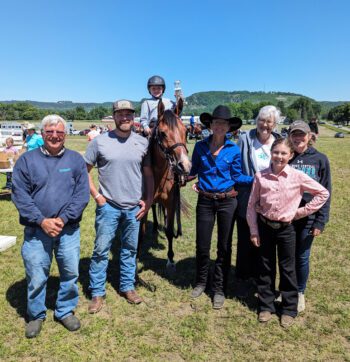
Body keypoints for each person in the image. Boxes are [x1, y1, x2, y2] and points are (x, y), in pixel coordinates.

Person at [11, 115, 90, 338]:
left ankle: (64, 310)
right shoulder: (26, 160)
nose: (54, 136)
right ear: (42, 133)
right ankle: (36, 315)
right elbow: (20, 195)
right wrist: (42, 220)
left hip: (68, 230)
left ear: (65, 135)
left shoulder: (75, 160)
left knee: (70, 272)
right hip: (37, 230)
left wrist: (63, 219)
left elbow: (82, 195)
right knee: (36, 274)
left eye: (59, 132)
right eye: (49, 132)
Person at [247, 138, 329, 328]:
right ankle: (266, 306)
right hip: (265, 227)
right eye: (276, 152)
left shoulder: (297, 176)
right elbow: (251, 205)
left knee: (288, 268)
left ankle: (289, 308)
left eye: (284, 153)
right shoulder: (261, 176)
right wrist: (253, 230)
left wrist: (299, 213)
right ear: (271, 154)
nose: (279, 157)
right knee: (265, 267)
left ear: (290, 156)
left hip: (287, 229)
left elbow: (323, 193)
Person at [85, 99, 153, 313]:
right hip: (109, 206)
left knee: (130, 250)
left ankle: (127, 286)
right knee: (101, 250)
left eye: (128, 114)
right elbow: (84, 171)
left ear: (133, 117)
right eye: (120, 114)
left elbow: (149, 174)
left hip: (134, 207)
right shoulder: (100, 142)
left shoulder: (142, 142)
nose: (125, 118)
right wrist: (97, 196)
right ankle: (97, 292)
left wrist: (148, 200)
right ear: (114, 116)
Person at [189, 105, 253, 309]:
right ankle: (201, 281)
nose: (219, 126)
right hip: (205, 200)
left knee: (224, 246)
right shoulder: (199, 147)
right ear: (210, 125)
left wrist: (258, 178)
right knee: (202, 244)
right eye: (216, 122)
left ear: (228, 127)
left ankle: (219, 288)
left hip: (227, 201)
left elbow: (237, 176)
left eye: (223, 123)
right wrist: (182, 176)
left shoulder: (233, 149)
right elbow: (194, 170)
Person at [235, 105, 281, 296]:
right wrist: (255, 180)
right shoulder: (245, 139)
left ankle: (263, 277)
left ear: (275, 124)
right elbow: (236, 169)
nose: (265, 124)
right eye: (262, 120)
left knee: (265, 238)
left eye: (269, 121)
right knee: (246, 236)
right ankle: (244, 277)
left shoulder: (279, 141)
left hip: (272, 198)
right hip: (247, 195)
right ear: (257, 121)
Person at [288, 120, 331, 313]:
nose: (298, 138)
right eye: (294, 134)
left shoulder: (320, 159)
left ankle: (299, 292)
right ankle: (287, 289)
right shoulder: (285, 156)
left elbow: (326, 191)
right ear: (289, 136)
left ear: (309, 136)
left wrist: (321, 220)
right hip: (286, 217)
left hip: (309, 218)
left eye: (302, 134)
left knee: (302, 256)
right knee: (287, 256)